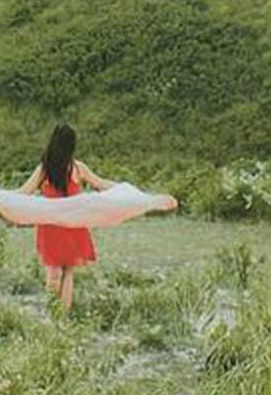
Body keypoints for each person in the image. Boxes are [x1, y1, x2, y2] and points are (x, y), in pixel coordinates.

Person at [14, 123, 175, 310]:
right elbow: (101, 184)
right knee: (58, 272)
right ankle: (56, 314)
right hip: (59, 226)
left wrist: (126, 190)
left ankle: (60, 316)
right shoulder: (49, 169)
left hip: (67, 226)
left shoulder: (73, 168)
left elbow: (23, 192)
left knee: (62, 271)